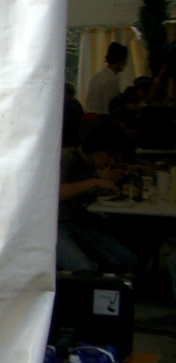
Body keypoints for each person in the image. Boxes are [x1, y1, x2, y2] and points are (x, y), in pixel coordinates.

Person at [57, 116, 138, 274]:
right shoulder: (67, 157)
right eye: (110, 154)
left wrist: (102, 187)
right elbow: (55, 193)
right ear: (97, 148)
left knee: (128, 260)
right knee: (85, 270)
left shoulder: (92, 166)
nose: (111, 160)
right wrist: (95, 182)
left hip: (83, 224)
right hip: (58, 226)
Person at [85, 41, 128, 115]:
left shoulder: (97, 76)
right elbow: (109, 108)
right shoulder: (111, 80)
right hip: (101, 119)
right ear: (121, 61)